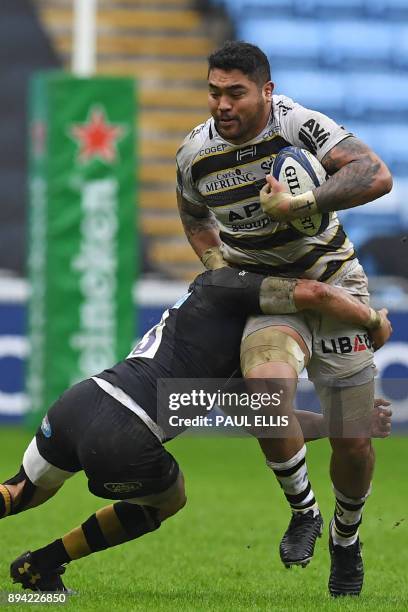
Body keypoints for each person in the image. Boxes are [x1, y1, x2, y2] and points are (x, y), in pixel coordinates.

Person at [1, 268, 392, 592]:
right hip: (127, 433)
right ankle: (46, 562)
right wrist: (372, 319)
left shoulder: (220, 327)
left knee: (19, 491)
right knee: (169, 500)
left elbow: (265, 418)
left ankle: (38, 571)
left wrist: (340, 422)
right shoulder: (225, 286)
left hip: (82, 401)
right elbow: (315, 293)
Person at [175, 41, 393, 596]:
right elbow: (193, 214)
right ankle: (304, 511)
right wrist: (220, 270)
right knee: (264, 390)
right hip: (269, 295)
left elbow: (376, 174)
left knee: (352, 438)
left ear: (266, 92)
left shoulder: (299, 126)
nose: (222, 105)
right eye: (214, 92)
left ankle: (347, 541)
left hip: (336, 284)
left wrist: (301, 204)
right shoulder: (194, 154)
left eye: (236, 93)